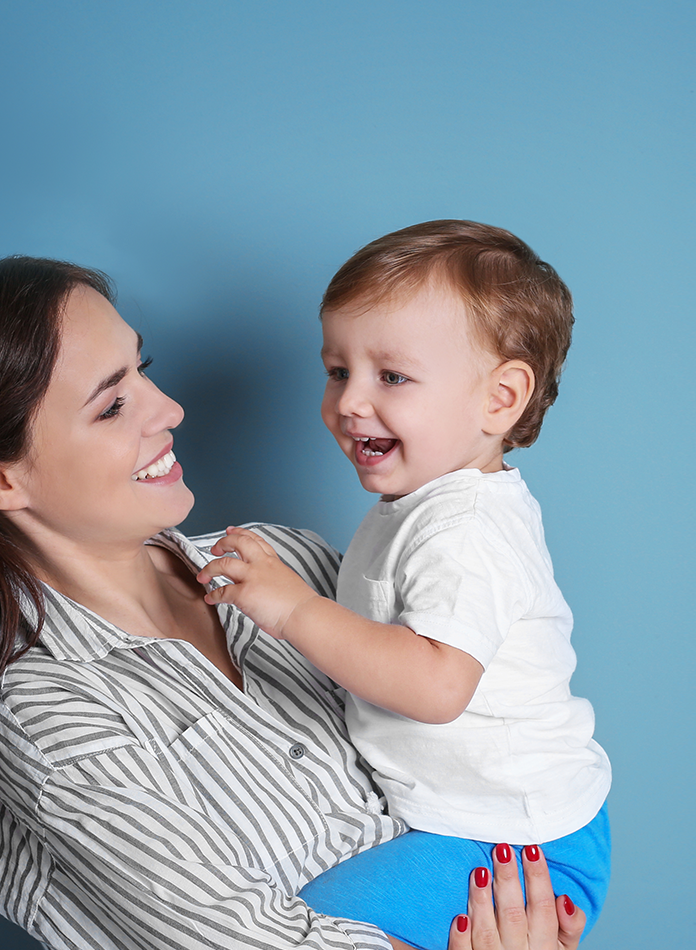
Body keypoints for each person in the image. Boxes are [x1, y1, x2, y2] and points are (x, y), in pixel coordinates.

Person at [0, 255, 583, 950]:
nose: (167, 409)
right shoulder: (50, 710)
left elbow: (472, 744)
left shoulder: (290, 562)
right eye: (111, 405)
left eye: (145, 369)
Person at [195, 221, 610, 950]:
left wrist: (293, 608)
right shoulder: (424, 505)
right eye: (336, 371)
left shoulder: (467, 530)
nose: (351, 400)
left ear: (500, 398)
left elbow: (435, 686)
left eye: (391, 376)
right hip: (474, 824)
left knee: (305, 932)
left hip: (514, 843)